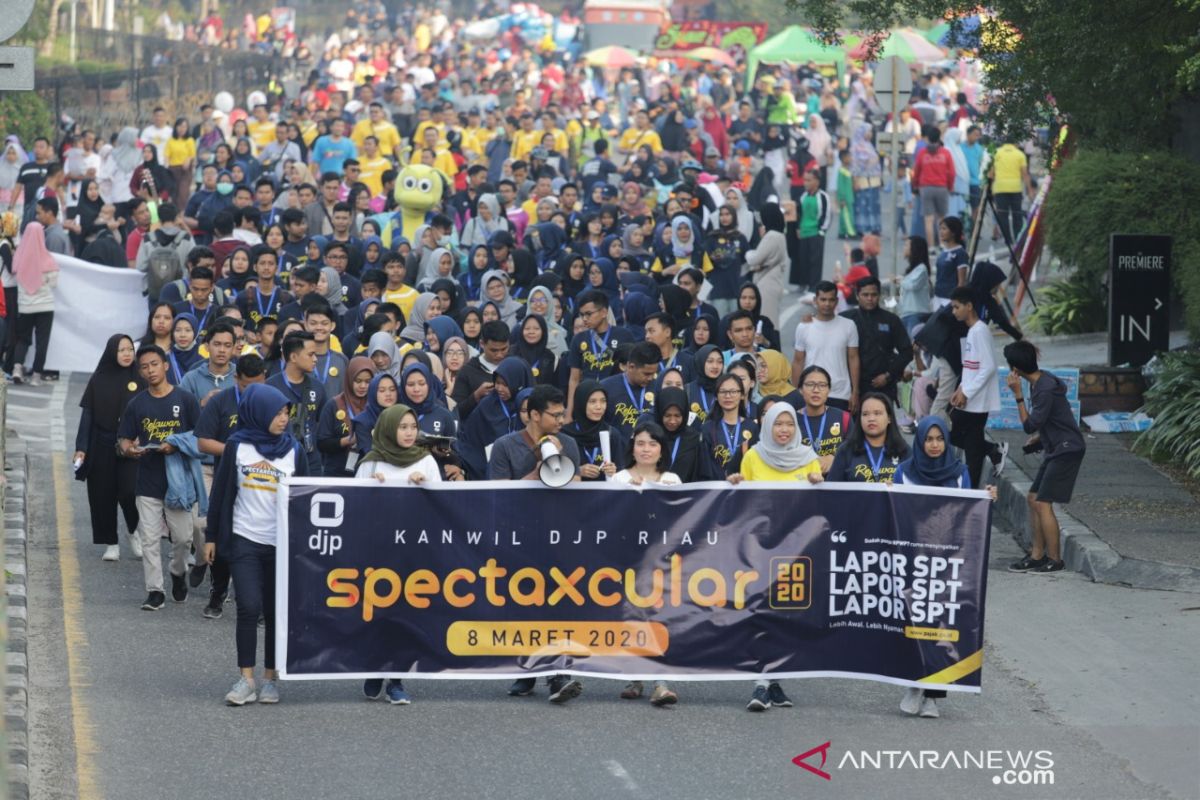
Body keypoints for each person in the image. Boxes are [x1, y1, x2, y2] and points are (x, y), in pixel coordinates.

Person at [204, 384, 307, 706]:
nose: (283, 419)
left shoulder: (295, 451)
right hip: (244, 538)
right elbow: (221, 493)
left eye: (286, 413)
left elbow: (307, 498)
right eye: (277, 413)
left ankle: (270, 678)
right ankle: (245, 679)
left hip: (281, 544)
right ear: (258, 412)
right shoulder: (237, 447)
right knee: (248, 606)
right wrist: (211, 537)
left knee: (276, 612)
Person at [892, 415, 992, 718]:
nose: (934, 445)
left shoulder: (960, 473)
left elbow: (967, 513)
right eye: (928, 439)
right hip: (913, 560)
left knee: (942, 626)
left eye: (939, 439)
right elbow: (896, 515)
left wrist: (987, 499)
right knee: (912, 624)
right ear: (920, 441)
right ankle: (913, 684)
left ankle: (933, 696)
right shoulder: (903, 473)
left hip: (947, 563)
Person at [489, 385, 583, 704]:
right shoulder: (504, 446)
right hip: (520, 536)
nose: (561, 420)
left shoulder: (567, 442)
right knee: (524, 604)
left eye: (562, 414)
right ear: (533, 415)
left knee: (558, 605)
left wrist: (558, 456)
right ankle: (526, 672)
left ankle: (559, 673)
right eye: (554, 415)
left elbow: (578, 487)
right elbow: (498, 493)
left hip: (559, 536)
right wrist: (540, 468)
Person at [117, 345, 202, 610]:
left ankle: (178, 572)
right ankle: (155, 590)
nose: (150, 370)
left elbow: (200, 437)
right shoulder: (137, 404)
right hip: (148, 481)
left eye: (154, 364)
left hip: (180, 483)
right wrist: (130, 450)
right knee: (150, 539)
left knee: (183, 539)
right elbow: (123, 440)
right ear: (140, 372)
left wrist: (174, 445)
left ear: (165, 365)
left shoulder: (186, 400)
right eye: (144, 367)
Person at [1004, 340, 1086, 575]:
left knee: (1042, 502)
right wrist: (1040, 438)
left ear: (1015, 369)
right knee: (1032, 498)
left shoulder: (1044, 387)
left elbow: (1029, 424)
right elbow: (1053, 418)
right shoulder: (1039, 383)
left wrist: (1018, 396)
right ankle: (1037, 555)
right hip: (1056, 447)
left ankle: (1055, 559)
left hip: (1067, 449)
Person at [74, 334, 144, 561]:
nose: (126, 354)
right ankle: (111, 543)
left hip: (131, 447)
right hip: (101, 444)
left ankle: (133, 530)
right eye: (122, 350)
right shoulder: (98, 378)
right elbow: (88, 415)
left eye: (130, 350)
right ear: (112, 352)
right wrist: (81, 447)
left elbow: (148, 413)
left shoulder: (140, 378)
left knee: (130, 492)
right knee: (102, 496)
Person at [948, 287, 1005, 488]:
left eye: (956, 307)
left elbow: (988, 367)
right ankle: (992, 450)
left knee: (962, 440)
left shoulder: (980, 331)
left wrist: (967, 391)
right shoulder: (973, 331)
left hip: (977, 401)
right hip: (970, 398)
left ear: (969, 306)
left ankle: (971, 492)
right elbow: (970, 366)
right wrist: (961, 387)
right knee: (968, 444)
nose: (953, 311)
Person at [791, 281, 860, 412]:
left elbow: (853, 358)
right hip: (811, 392)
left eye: (831, 300)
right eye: (823, 299)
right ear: (815, 300)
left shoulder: (849, 326)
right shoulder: (804, 327)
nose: (827, 304)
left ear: (837, 301)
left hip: (840, 393)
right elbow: (798, 361)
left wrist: (855, 392)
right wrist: (796, 394)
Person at [841, 277, 911, 405]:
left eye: (873, 295)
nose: (869, 298)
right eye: (865, 295)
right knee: (850, 424)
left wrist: (889, 375)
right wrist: (809, 320)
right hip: (851, 386)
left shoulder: (891, 320)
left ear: (879, 295)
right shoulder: (845, 319)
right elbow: (823, 325)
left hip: (882, 386)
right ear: (857, 296)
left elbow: (907, 352)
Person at [267, 331, 328, 475]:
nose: (315, 359)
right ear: (293, 357)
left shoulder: (318, 387)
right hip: (278, 459)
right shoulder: (270, 387)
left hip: (311, 461)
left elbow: (322, 423)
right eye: (310, 354)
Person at [11, 221, 59, 385]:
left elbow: (15, 275)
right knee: (42, 342)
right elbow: (54, 284)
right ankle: (36, 376)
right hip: (45, 306)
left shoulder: (19, 256)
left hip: (25, 306)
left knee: (23, 339)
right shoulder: (48, 259)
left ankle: (17, 368)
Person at [827, 392, 910, 483]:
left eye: (877, 413)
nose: (871, 418)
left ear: (889, 418)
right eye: (865, 414)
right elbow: (832, 490)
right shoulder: (846, 450)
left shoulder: (903, 450)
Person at [316, 355, 374, 477]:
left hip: (369, 473)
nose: (363, 386)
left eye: (368, 382)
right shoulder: (334, 405)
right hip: (337, 474)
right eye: (358, 381)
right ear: (348, 379)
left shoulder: (375, 405)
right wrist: (347, 441)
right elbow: (322, 443)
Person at [559, 379, 622, 481]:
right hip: (573, 494)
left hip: (605, 495)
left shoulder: (612, 434)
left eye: (603, 401)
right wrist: (578, 471)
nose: (599, 407)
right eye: (592, 401)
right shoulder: (565, 434)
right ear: (581, 403)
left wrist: (614, 471)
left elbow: (621, 470)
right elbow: (556, 472)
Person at [795, 365, 852, 474]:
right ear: (801, 389)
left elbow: (853, 452)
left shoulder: (843, 417)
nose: (816, 390)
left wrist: (835, 458)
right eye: (810, 385)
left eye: (822, 385)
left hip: (836, 485)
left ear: (829, 390)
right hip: (802, 483)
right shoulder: (791, 420)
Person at [701, 372, 759, 477]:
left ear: (742, 395)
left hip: (745, 487)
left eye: (733, 391)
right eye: (723, 392)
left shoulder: (753, 427)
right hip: (716, 488)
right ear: (716, 396)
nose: (728, 396)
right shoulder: (707, 428)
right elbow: (705, 467)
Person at [600, 341, 660, 439]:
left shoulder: (659, 387)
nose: (651, 378)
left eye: (653, 374)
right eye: (646, 374)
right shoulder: (605, 388)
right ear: (631, 367)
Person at [745, 203, 787, 328]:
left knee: (767, 321)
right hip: (774, 280)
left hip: (767, 283)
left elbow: (755, 258)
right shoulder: (779, 235)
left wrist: (748, 253)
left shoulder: (771, 236)